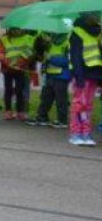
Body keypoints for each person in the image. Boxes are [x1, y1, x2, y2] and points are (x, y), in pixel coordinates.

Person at [69, 14, 101, 146]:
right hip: (88, 73)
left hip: (88, 74)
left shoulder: (95, 32)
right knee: (82, 105)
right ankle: (80, 134)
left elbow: (78, 56)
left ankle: (82, 133)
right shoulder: (85, 32)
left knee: (84, 105)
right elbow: (77, 55)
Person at [29, 31, 71, 129]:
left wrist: (51, 58)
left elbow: (68, 61)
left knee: (61, 100)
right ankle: (42, 117)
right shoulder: (50, 43)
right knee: (45, 98)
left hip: (62, 76)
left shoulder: (67, 43)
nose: (51, 34)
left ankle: (62, 120)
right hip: (49, 75)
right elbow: (45, 58)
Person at [0, 27, 34, 121]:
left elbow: (29, 51)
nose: (16, 31)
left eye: (18, 29)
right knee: (8, 90)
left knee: (20, 91)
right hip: (7, 69)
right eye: (14, 29)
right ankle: (8, 111)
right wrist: (8, 63)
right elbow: (0, 52)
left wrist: (19, 63)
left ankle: (20, 111)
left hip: (21, 69)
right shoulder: (4, 38)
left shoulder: (28, 38)